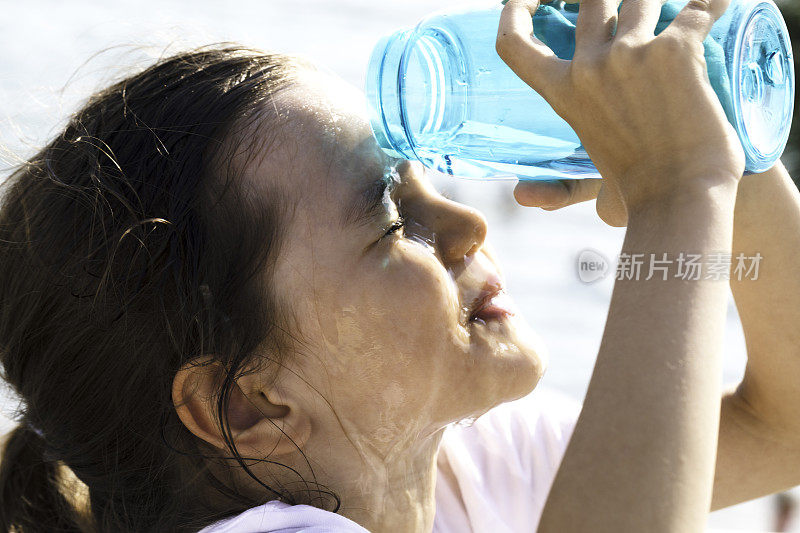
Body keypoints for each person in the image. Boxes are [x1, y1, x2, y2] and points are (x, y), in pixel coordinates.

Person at [0, 0, 799, 531]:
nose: (467, 223)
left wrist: (714, 122)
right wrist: (677, 192)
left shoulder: (463, 474)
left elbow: (783, 426)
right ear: (250, 405)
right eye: (391, 218)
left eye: (429, 181)